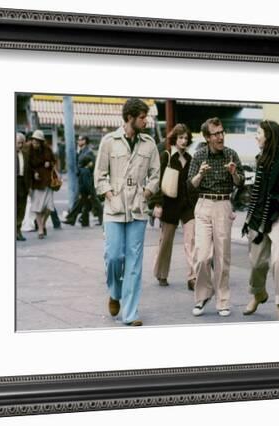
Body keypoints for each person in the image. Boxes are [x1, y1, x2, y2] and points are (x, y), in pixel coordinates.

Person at [94, 98, 160, 326]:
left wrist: (147, 194)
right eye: (142, 117)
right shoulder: (109, 142)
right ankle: (114, 293)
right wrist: (110, 196)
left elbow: (155, 175)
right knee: (114, 257)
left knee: (134, 263)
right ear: (130, 117)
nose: (146, 120)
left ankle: (130, 314)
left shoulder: (149, 144)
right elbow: (99, 176)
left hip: (138, 211)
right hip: (113, 210)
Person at [241, 120, 279, 321]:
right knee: (257, 262)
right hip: (259, 218)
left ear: (269, 136)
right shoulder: (260, 159)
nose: (256, 136)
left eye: (258, 133)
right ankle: (258, 294)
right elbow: (257, 194)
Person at [187, 117, 244, 317]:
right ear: (207, 137)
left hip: (223, 204)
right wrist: (200, 175)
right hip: (203, 204)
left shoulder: (231, 155)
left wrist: (234, 173)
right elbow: (190, 185)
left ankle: (223, 301)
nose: (220, 137)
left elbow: (240, 182)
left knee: (222, 257)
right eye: (216, 134)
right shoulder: (199, 156)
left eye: (222, 132)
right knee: (202, 256)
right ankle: (202, 296)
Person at [149, 123, 198, 290]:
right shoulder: (166, 155)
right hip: (169, 204)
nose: (184, 141)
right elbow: (157, 180)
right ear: (174, 139)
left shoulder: (190, 159)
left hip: (187, 205)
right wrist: (157, 204)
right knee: (166, 241)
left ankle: (193, 277)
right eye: (181, 138)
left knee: (191, 240)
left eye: (186, 138)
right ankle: (161, 274)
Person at [63, 135, 103, 227]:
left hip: (87, 179)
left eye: (80, 140)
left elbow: (90, 166)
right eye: (78, 140)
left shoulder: (88, 152)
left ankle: (72, 218)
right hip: (84, 179)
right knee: (84, 201)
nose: (78, 141)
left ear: (85, 141)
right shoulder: (81, 151)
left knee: (92, 200)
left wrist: (84, 168)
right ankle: (81, 220)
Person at [28, 130, 56, 239]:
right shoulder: (29, 150)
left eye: (37, 142)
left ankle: (43, 223)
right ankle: (40, 229)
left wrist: (50, 163)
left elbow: (54, 161)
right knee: (37, 207)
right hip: (36, 183)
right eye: (34, 141)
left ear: (41, 142)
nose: (35, 144)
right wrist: (33, 173)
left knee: (49, 207)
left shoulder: (47, 149)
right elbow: (27, 166)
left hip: (48, 182)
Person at [15, 132, 31, 241]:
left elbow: (29, 170)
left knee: (22, 208)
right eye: (18, 143)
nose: (20, 145)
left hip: (22, 183)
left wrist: (29, 186)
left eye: (22, 143)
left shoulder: (25, 154)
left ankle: (18, 230)